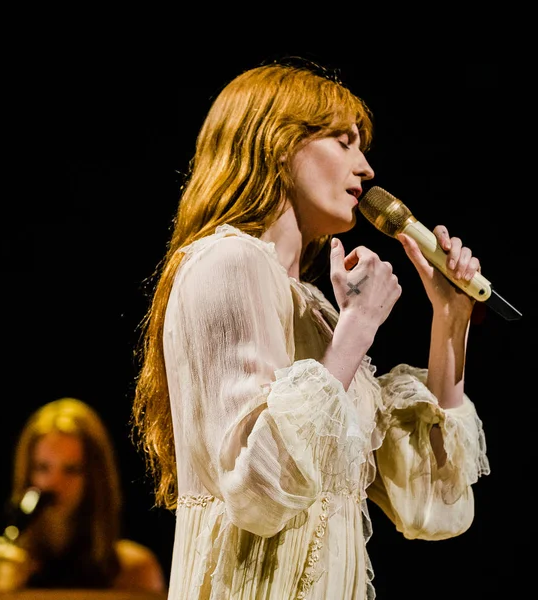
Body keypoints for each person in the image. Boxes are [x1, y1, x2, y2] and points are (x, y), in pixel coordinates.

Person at [131, 58, 490, 600]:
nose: (366, 168)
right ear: (277, 143)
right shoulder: (228, 263)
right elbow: (261, 490)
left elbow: (432, 504)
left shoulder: (315, 310)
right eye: (344, 141)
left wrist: (450, 319)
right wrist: (359, 327)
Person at [0, 397, 167, 595]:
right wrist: (1, 591)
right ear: (26, 472)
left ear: (95, 479)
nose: (54, 484)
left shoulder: (135, 571)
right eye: (42, 467)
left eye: (71, 469)